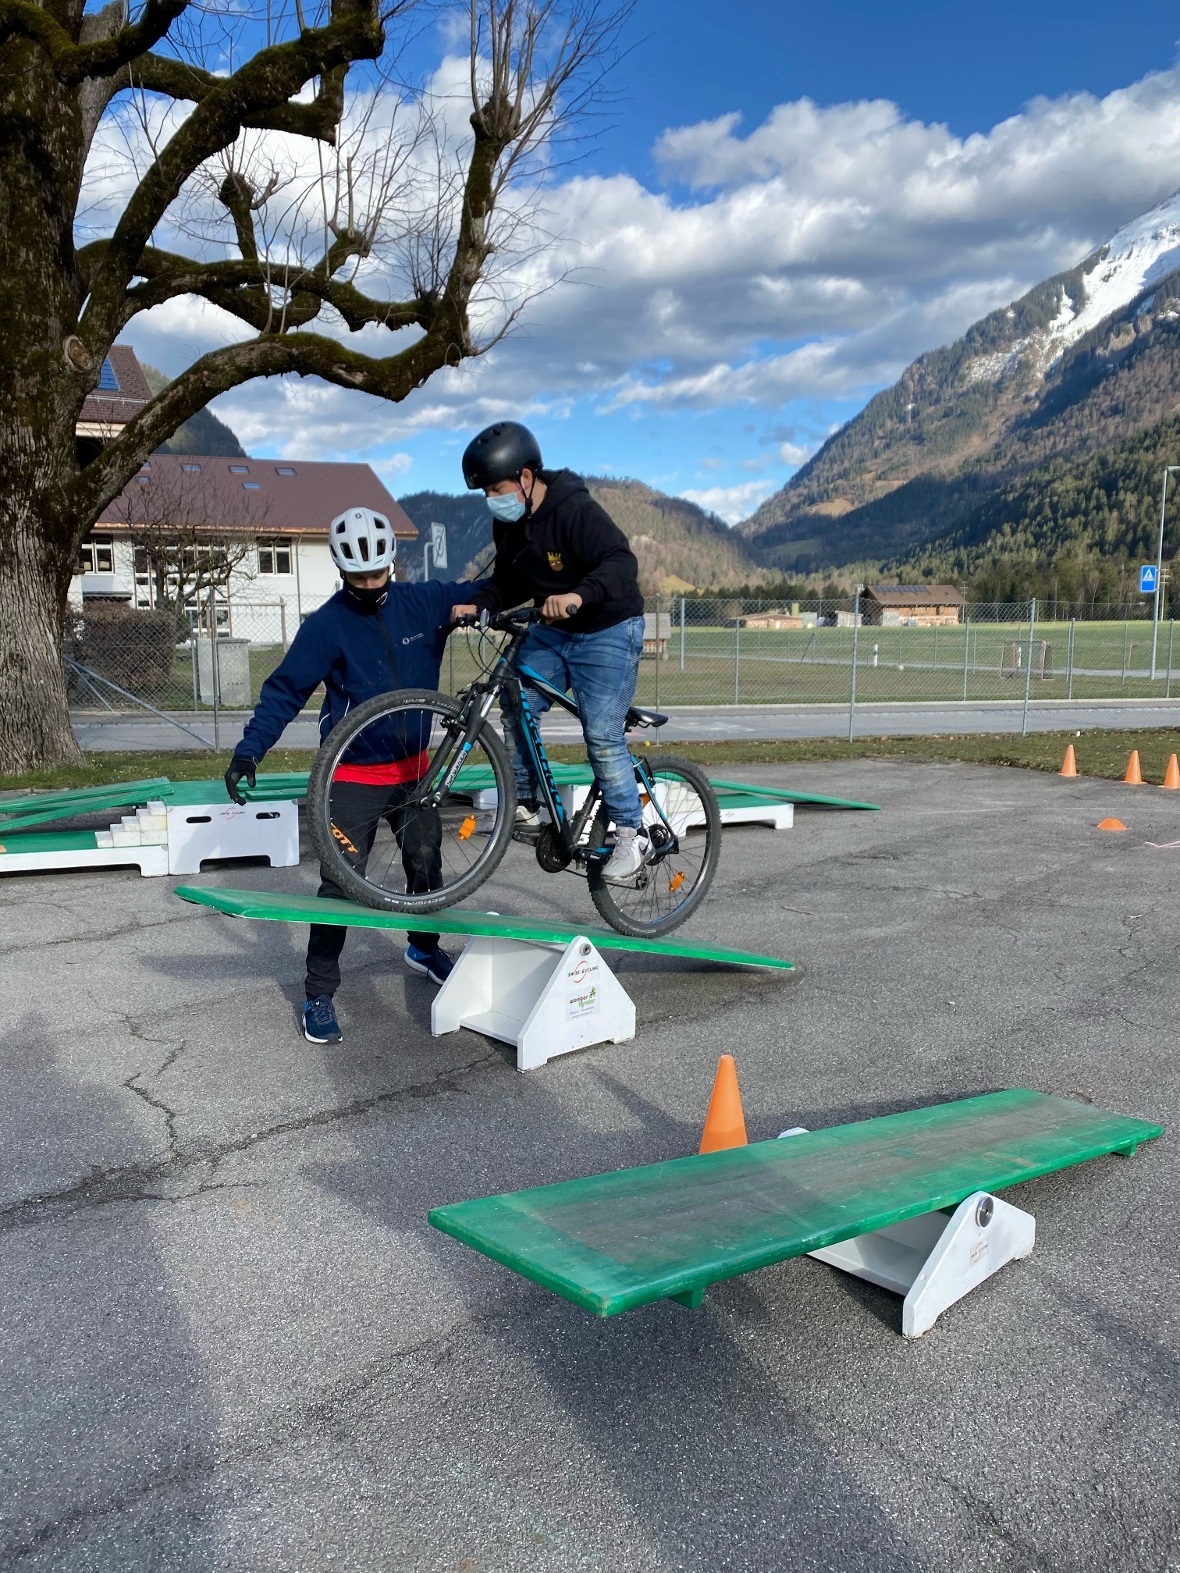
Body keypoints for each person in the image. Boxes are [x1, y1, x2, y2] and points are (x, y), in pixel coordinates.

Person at [224, 506, 475, 1045]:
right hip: (354, 777)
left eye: (377, 573)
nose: (368, 585)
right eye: (356, 577)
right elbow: (285, 691)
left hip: (416, 776)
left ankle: (425, 949)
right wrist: (250, 751)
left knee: (425, 866)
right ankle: (319, 993)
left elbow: (491, 588)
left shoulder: (424, 603)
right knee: (339, 886)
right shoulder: (327, 625)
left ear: (391, 564)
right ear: (340, 571)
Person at [450, 421, 649, 885]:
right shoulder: (509, 524)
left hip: (608, 626)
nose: (492, 499)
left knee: (601, 735)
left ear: (525, 476)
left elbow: (622, 563)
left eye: (497, 488)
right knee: (516, 699)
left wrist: (580, 594)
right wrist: (480, 604)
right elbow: (509, 581)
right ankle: (525, 800)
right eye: (485, 493)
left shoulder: (575, 510)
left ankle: (630, 833)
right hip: (553, 628)